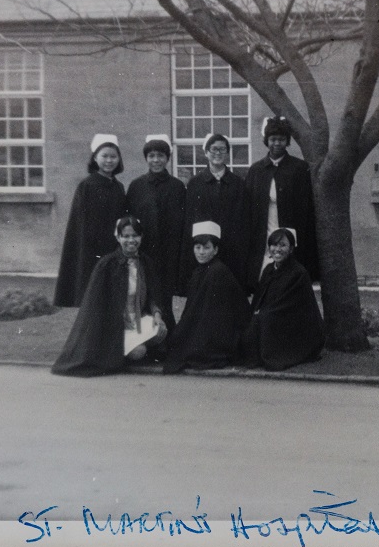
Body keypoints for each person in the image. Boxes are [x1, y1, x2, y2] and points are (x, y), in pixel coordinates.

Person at [52, 216, 168, 377]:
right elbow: (97, 305)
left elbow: (153, 295)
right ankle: (119, 351)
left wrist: (157, 315)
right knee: (139, 352)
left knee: (162, 332)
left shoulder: (145, 262)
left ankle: (126, 349)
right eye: (126, 236)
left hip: (139, 320)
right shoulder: (107, 264)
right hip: (116, 325)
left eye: (135, 235)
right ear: (118, 238)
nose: (131, 240)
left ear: (141, 237)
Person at [164, 221, 250, 373]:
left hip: (224, 330)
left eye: (206, 247)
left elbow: (214, 313)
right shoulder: (200, 270)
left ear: (215, 250)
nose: (201, 252)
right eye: (197, 247)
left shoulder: (217, 271)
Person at [244, 116, 319, 290]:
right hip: (264, 230)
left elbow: (307, 209)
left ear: (287, 142)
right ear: (266, 141)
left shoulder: (299, 168)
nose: (277, 143)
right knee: (264, 277)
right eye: (272, 139)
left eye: (281, 139)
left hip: (290, 229)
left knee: (288, 279)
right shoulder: (256, 170)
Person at [53, 133, 128, 307]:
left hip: (114, 248)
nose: (109, 160)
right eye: (104, 156)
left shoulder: (118, 187)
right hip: (91, 250)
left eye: (113, 156)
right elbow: (81, 225)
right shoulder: (87, 186)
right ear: (95, 158)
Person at [125, 134, 186, 343]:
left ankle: (167, 340)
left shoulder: (177, 187)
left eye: (160, 155)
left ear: (167, 158)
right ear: (146, 159)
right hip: (145, 252)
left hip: (169, 251)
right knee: (144, 294)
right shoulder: (136, 186)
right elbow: (130, 220)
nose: (156, 160)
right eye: (151, 156)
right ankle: (144, 338)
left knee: (164, 296)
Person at [240, 227, 325, 371]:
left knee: (263, 319)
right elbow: (260, 297)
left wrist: (263, 314)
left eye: (283, 245)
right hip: (273, 315)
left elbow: (291, 304)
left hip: (294, 322)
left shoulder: (298, 272)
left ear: (291, 249)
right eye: (274, 244)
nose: (277, 249)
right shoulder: (268, 270)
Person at [180, 133, 251, 293]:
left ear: (227, 153)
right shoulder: (195, 183)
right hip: (204, 249)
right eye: (213, 149)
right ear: (206, 152)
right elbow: (190, 219)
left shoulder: (238, 184)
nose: (218, 153)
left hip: (231, 250)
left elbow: (243, 221)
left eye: (222, 149)